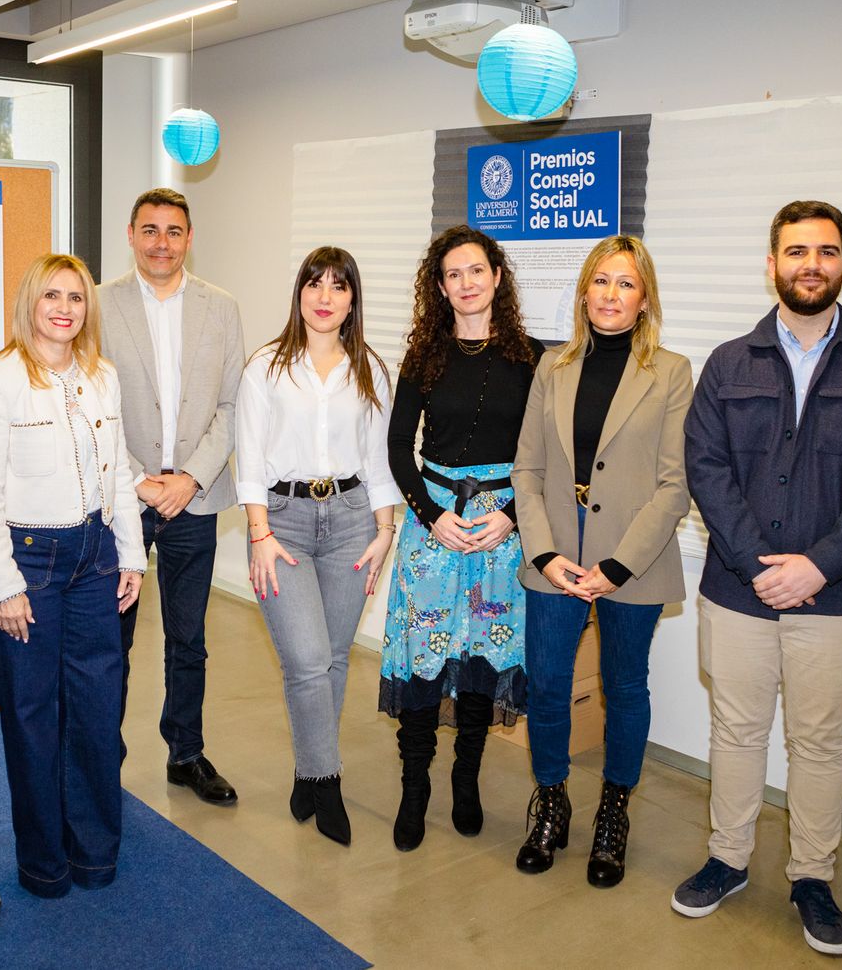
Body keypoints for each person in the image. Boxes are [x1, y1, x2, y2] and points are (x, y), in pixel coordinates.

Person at [671, 201, 842, 956]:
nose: (811, 264)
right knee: (736, 731)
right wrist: (759, 565)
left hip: (838, 599)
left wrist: (818, 564)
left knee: (819, 743)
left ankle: (813, 876)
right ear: (772, 263)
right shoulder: (728, 364)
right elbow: (706, 469)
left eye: (826, 251)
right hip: (737, 592)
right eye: (796, 250)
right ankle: (728, 859)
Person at [511, 234, 693, 887]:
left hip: (632, 560)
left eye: (626, 283)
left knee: (625, 688)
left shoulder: (671, 372)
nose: (611, 294)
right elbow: (527, 470)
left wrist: (616, 567)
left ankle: (614, 811)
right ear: (584, 292)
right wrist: (544, 552)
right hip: (555, 557)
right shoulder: (551, 367)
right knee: (547, 685)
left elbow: (675, 484)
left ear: (645, 300)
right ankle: (552, 800)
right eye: (601, 281)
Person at [0, 253, 147, 899]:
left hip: (97, 558)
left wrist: (132, 555)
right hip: (29, 563)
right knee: (33, 715)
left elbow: (118, 474)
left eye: (75, 296)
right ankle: (44, 863)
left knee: (98, 710)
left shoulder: (103, 376)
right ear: (30, 304)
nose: (65, 308)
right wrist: (3, 585)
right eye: (52, 295)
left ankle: (95, 854)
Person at [380, 225, 543, 852]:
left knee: (482, 659)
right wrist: (430, 515)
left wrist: (514, 517)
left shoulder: (532, 358)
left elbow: (547, 455)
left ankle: (466, 778)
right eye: (453, 274)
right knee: (423, 660)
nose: (467, 283)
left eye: (477, 270)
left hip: (501, 529)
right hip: (434, 525)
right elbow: (399, 446)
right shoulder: (424, 356)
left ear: (497, 277)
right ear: (440, 287)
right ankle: (413, 787)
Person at [237, 246, 400, 845]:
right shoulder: (265, 367)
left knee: (333, 658)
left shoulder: (371, 369)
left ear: (353, 299)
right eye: (314, 283)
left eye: (338, 285)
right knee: (306, 660)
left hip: (354, 520)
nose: (325, 296)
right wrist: (259, 534)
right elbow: (249, 458)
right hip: (282, 521)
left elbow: (381, 461)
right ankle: (327, 781)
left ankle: (308, 770)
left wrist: (385, 532)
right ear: (299, 293)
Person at [98, 187, 244, 805]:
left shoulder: (222, 307)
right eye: (151, 230)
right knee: (112, 639)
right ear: (131, 235)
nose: (162, 242)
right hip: (121, 499)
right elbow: (89, 403)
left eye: (174, 231)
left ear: (189, 238)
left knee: (189, 639)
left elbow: (233, 405)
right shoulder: (96, 305)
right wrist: (137, 478)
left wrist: (190, 478)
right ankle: (103, 755)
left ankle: (186, 754)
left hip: (194, 499)